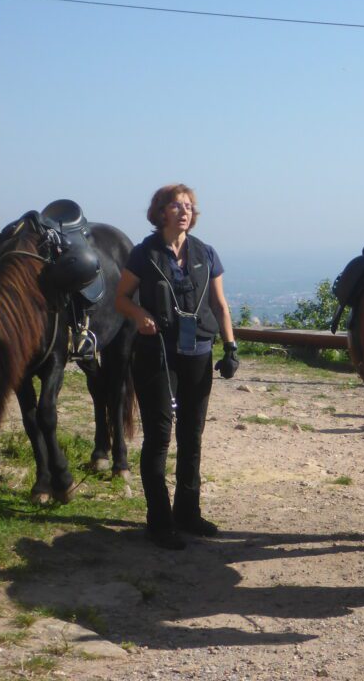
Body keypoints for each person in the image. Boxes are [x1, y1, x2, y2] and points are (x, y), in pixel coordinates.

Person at [115, 184, 239, 550]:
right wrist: (139, 314)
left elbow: (219, 305)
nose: (184, 211)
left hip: (199, 352)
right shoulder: (144, 254)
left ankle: (188, 512)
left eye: (188, 206)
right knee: (159, 436)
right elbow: (121, 298)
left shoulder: (206, 253)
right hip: (156, 353)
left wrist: (231, 346)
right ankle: (159, 522)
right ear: (161, 212)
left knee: (191, 435)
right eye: (176, 205)